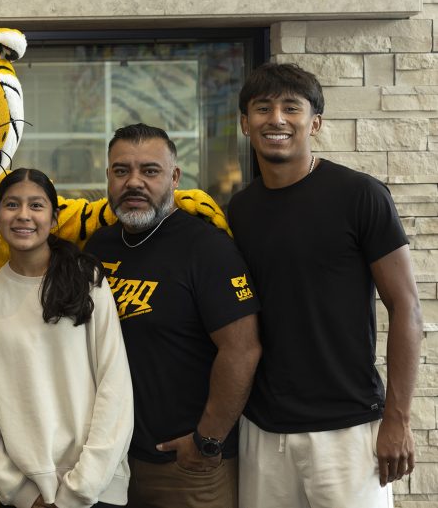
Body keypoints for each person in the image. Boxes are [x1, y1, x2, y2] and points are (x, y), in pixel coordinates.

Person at [229, 63, 423, 508]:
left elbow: (407, 307)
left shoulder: (360, 195)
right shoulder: (239, 210)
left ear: (314, 123)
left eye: (290, 108)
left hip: (348, 429)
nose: (276, 119)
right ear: (245, 123)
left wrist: (398, 418)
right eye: (262, 108)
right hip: (262, 429)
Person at [83, 124, 261, 508]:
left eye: (150, 171)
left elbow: (242, 350)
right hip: (110, 462)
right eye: (121, 171)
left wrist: (207, 440)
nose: (134, 182)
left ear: (174, 177)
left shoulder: (206, 248)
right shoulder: (99, 245)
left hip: (185, 465)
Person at [0, 168, 133, 508]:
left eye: (36, 205)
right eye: (12, 205)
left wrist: (81, 487)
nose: (23, 215)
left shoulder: (87, 280)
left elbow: (115, 387)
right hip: (27, 495)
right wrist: (25, 494)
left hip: (96, 488)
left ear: (54, 218)